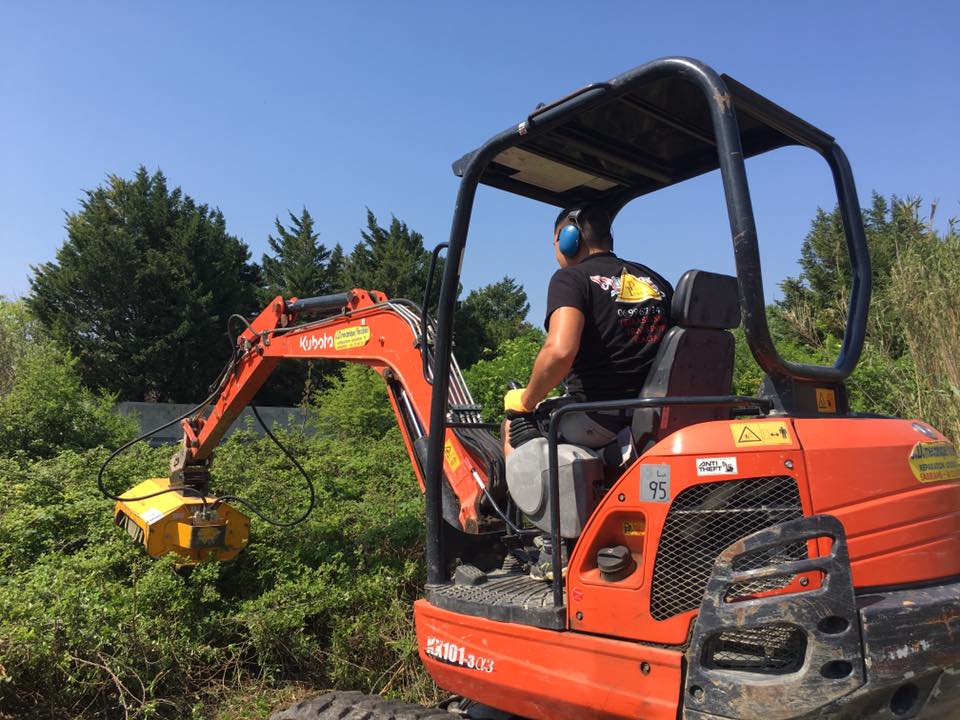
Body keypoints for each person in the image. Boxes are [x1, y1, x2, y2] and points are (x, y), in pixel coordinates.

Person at [503, 203, 674, 452]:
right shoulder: (656, 280)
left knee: (513, 425)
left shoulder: (571, 279)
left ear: (568, 239)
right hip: (656, 416)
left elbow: (559, 351)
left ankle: (519, 492)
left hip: (598, 419)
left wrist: (526, 401)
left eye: (554, 244)